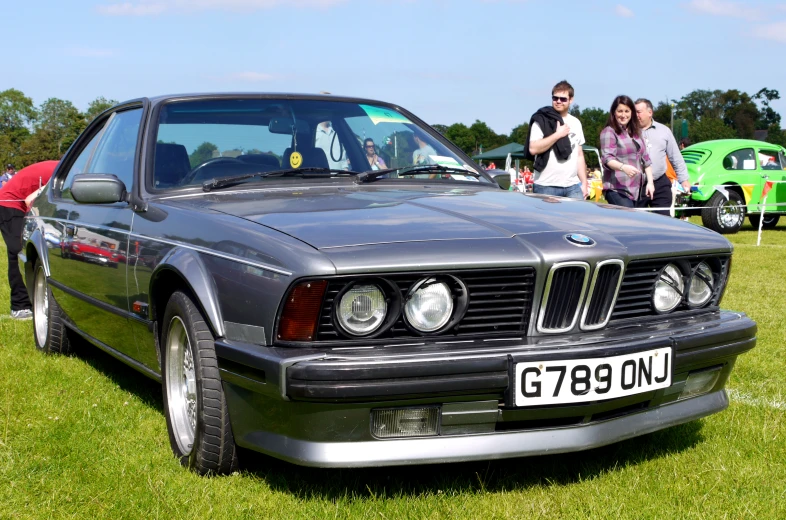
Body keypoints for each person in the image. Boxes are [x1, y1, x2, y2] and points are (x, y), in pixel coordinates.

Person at [0, 160, 59, 320]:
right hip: (9, 203)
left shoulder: (65, 168)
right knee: (18, 251)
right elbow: (30, 200)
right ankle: (20, 306)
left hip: (17, 203)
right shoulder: (61, 173)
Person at [524, 80, 588, 199]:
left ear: (571, 100)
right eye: (555, 98)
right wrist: (557, 135)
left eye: (563, 99)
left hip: (572, 186)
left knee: (578, 218)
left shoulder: (576, 123)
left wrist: (584, 183)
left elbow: (579, 155)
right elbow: (533, 148)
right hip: (546, 186)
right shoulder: (541, 120)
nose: (558, 101)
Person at [635, 98, 692, 216]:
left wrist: (684, 179)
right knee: (636, 223)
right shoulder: (628, 132)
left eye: (638, 112)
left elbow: (675, 156)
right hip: (636, 186)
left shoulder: (664, 131)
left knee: (663, 222)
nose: (636, 115)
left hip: (660, 183)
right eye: (634, 112)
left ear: (650, 112)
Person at [600, 95, 655, 208]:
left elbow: (646, 160)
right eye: (620, 111)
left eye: (627, 111)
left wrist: (650, 183)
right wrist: (623, 167)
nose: (623, 115)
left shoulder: (636, 133)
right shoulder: (609, 132)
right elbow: (607, 158)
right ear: (614, 112)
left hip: (635, 191)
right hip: (616, 189)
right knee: (629, 220)